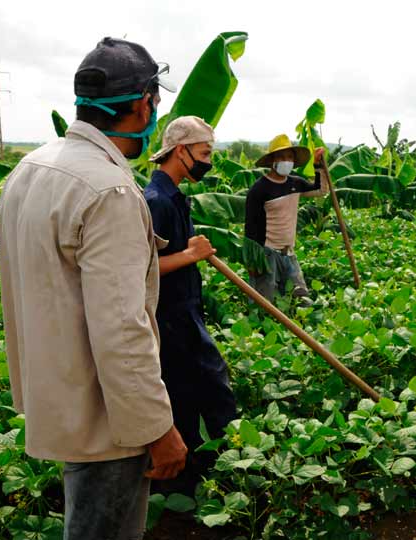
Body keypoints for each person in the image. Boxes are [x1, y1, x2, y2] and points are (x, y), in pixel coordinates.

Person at [0, 37, 187, 540]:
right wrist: (157, 429)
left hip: (58, 399)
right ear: (144, 104)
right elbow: (122, 329)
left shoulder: (31, 168)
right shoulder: (111, 191)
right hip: (108, 419)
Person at [145, 115, 238, 495]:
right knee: (197, 391)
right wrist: (190, 254)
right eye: (203, 153)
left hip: (185, 311)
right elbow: (141, 271)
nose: (207, 162)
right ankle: (190, 480)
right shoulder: (156, 203)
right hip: (169, 318)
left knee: (203, 389)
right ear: (180, 152)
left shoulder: (174, 198)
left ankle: (210, 466)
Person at [244, 134, 328, 304]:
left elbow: (320, 190)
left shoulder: (295, 183)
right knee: (265, 302)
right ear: (272, 161)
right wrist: (252, 261)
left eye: (289, 157)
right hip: (266, 253)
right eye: (281, 157)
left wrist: (319, 165)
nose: (286, 160)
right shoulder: (259, 189)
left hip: (288, 252)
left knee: (301, 297)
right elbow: (250, 227)